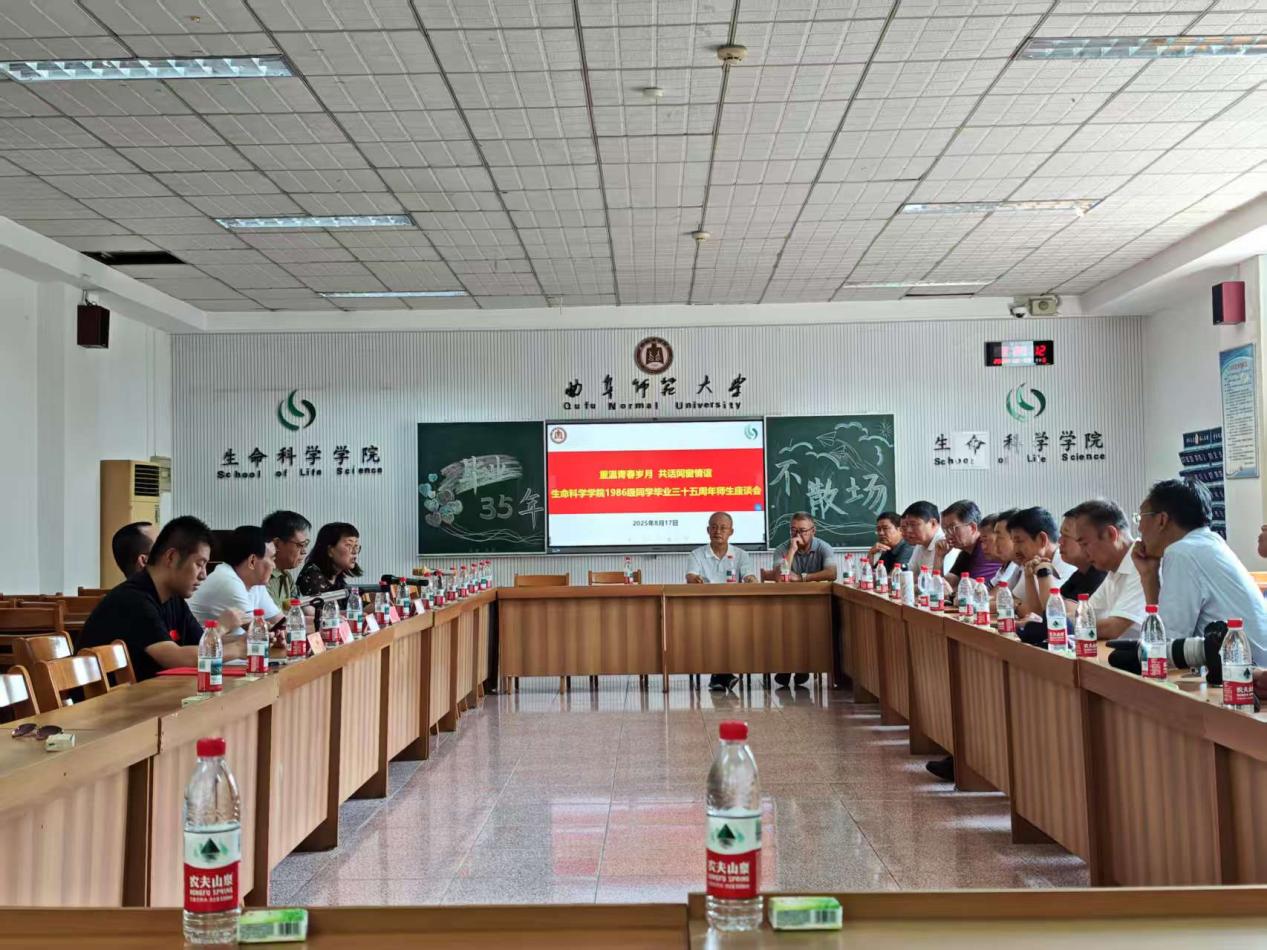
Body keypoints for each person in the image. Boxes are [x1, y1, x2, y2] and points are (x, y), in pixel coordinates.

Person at [80, 516, 246, 681]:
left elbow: (200, 644)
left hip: (145, 693)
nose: (204, 575)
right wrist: (237, 647)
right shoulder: (133, 599)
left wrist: (246, 640)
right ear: (171, 557)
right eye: (199, 564)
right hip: (108, 698)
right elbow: (176, 658)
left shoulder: (173, 598)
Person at [1132, 479, 1267, 663]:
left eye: (1141, 517)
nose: (1139, 528)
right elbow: (1165, 642)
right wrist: (1149, 576)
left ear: (1162, 520)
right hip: (1247, 668)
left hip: (1244, 675)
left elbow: (1161, 647)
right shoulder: (1208, 543)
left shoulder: (1183, 552)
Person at [762, 512, 837, 687]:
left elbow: (832, 573)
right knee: (784, 627)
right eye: (793, 530)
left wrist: (802, 578)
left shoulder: (823, 547)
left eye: (802, 530)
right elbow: (780, 577)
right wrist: (792, 550)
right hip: (786, 602)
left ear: (813, 531)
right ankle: (787, 666)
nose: (797, 535)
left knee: (812, 626)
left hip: (815, 603)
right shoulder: (782, 548)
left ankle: (803, 666)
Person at [686, 511, 758, 691]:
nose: (718, 531)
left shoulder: (741, 555)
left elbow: (749, 576)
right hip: (705, 608)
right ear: (708, 530)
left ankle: (719, 676)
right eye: (714, 527)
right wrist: (694, 579)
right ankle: (722, 675)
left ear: (731, 532)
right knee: (716, 627)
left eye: (723, 528)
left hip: (734, 608)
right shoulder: (696, 554)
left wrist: (750, 579)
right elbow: (691, 576)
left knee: (729, 628)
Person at [1067, 500, 1145, 639]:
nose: (1083, 553)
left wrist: (1062, 626)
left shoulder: (1143, 563)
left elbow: (1113, 628)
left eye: (1085, 544)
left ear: (1110, 534)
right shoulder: (1114, 569)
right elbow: (1085, 615)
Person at [188, 525, 283, 634]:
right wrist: (277, 631)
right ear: (252, 561)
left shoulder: (255, 583)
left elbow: (279, 622)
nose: (274, 566)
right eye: (271, 558)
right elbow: (258, 632)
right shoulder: (227, 581)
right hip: (199, 644)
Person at [1009, 507, 1070, 617]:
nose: (1015, 550)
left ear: (1042, 539)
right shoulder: (1032, 563)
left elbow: (1051, 614)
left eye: (1019, 541)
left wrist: (1018, 606)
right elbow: (1015, 598)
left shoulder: (1066, 563)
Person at [938, 500, 1001, 590]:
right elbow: (943, 585)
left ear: (972, 527)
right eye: (945, 530)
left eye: (952, 528)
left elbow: (974, 591)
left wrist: (951, 591)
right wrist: (939, 557)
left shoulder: (986, 550)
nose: (948, 535)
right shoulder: (966, 552)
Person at [1055, 511, 1107, 608]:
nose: (1060, 541)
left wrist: (1044, 572)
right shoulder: (1079, 574)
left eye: (1066, 535)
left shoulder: (1101, 576)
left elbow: (1060, 610)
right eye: (1061, 535)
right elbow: (1052, 606)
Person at [297, 522, 363, 597]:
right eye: (349, 545)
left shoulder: (336, 576)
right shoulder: (313, 577)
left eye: (356, 546)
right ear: (330, 550)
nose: (355, 552)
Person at [263, 510, 311, 606]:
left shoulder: (286, 577)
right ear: (277, 544)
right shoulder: (261, 577)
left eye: (306, 544)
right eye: (300, 545)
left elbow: (301, 608)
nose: (304, 552)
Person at [900, 501, 944, 574]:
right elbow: (910, 574)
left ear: (933, 524)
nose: (908, 530)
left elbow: (935, 579)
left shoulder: (944, 544)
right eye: (907, 525)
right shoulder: (920, 543)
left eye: (913, 525)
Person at [989, 509, 1023, 592]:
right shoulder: (1016, 564)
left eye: (999, 537)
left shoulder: (1025, 565)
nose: (995, 542)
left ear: (1015, 537)